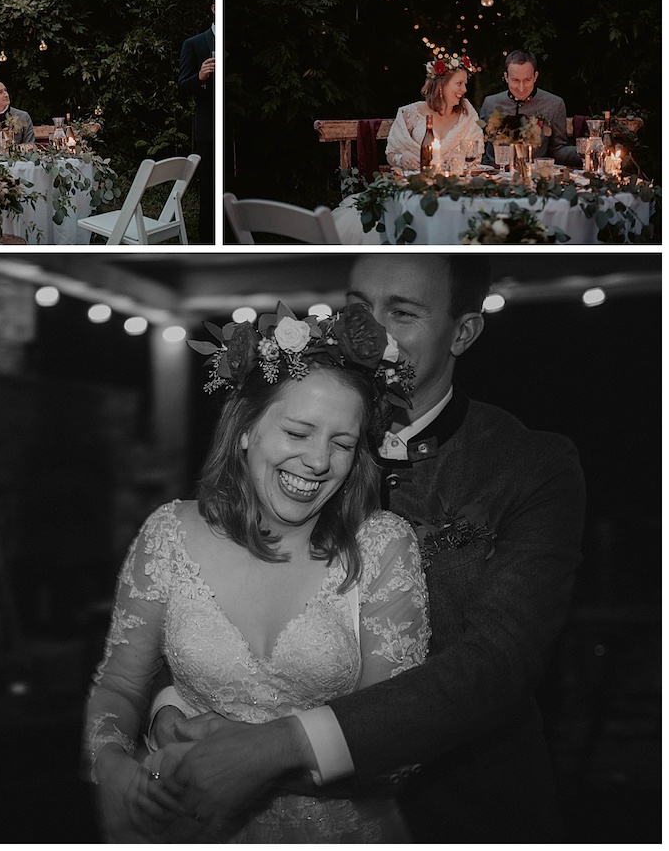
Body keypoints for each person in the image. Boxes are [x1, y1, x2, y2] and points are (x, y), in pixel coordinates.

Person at [150, 254, 586, 843]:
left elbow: (501, 662)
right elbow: (199, 577)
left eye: (402, 312)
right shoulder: (293, 436)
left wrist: (283, 745)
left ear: (463, 332)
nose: (374, 332)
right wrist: (170, 706)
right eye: (359, 309)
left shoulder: (529, 465)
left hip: (460, 813)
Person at [82, 301, 430, 842]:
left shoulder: (383, 546)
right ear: (245, 430)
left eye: (341, 443)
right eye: (297, 432)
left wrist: (250, 757)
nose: (318, 461)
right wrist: (111, 769)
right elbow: (120, 686)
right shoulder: (169, 533)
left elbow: (395, 745)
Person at [332, 57, 485, 244]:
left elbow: (475, 155)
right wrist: (402, 158)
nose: (464, 90)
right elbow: (391, 153)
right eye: (459, 84)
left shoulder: (467, 115)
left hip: (454, 191)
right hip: (412, 190)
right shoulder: (410, 113)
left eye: (465, 84)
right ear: (440, 85)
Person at [479, 49, 581, 167]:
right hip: (496, 174)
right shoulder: (490, 103)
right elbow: (481, 143)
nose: (521, 88)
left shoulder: (554, 104)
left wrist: (585, 152)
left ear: (535, 77)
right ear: (506, 77)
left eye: (527, 80)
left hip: (534, 174)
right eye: (515, 80)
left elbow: (558, 149)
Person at [178, 0, 215, 243]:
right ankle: (207, 239)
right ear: (213, 9)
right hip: (208, 128)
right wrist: (200, 78)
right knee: (209, 190)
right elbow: (181, 87)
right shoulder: (194, 43)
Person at [0, 79, 35, 145]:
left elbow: (29, 144)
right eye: (0, 92)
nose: (6, 95)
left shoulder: (23, 116)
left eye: (5, 90)